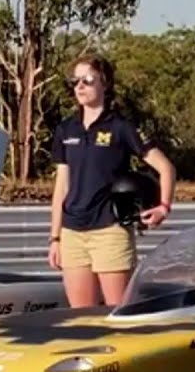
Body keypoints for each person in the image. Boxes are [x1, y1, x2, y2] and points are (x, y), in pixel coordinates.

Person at [48, 54, 176, 307]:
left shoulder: (121, 127)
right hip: (72, 232)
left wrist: (164, 207)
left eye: (87, 80)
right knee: (81, 318)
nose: (80, 87)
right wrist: (55, 238)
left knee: (118, 317)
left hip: (110, 231)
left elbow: (166, 167)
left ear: (104, 84)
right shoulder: (66, 130)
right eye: (75, 81)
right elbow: (61, 186)